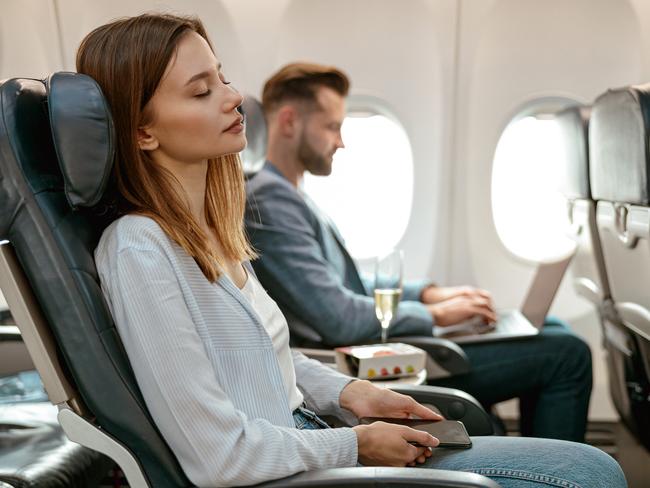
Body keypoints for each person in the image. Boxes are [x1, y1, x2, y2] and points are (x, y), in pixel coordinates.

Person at [82, 13, 625, 487]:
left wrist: (350, 394)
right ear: (142, 132)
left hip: (311, 445)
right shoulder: (140, 250)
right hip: (298, 470)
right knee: (593, 472)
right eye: (201, 91)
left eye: (221, 77)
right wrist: (357, 445)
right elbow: (218, 457)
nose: (233, 97)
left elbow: (256, 362)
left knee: (586, 455)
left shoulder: (209, 232)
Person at [245, 62, 593, 442]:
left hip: (371, 345)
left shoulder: (291, 195)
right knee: (568, 355)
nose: (341, 141)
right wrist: (435, 314)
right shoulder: (270, 199)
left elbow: (351, 285)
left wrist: (428, 292)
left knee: (553, 328)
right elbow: (339, 317)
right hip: (355, 362)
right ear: (290, 121)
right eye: (332, 127)